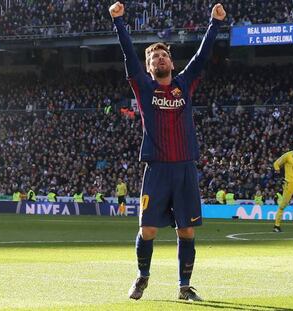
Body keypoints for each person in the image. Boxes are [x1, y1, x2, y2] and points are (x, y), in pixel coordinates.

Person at [109, 1, 226, 301]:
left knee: (186, 232)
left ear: (171, 63)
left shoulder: (185, 83)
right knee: (148, 230)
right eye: (153, 57)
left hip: (185, 167)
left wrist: (214, 23)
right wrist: (119, 22)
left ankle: (184, 287)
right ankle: (142, 278)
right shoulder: (144, 88)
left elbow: (202, 57)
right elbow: (128, 54)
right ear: (148, 68)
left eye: (163, 55)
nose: (159, 58)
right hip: (157, 169)